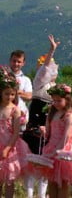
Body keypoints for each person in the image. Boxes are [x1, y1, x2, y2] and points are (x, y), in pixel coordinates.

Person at [23, 34, 59, 198]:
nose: (53, 71)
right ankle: (30, 196)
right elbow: (44, 70)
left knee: (46, 165)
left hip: (49, 129)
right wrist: (51, 51)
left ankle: (43, 195)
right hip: (36, 128)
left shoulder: (56, 88)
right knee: (33, 164)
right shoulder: (38, 84)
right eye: (51, 68)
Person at [38, 84, 72, 198]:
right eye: (54, 101)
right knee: (52, 181)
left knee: (63, 182)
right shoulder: (52, 113)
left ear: (67, 100)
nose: (55, 103)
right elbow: (49, 133)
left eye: (59, 101)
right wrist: (44, 130)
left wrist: (56, 152)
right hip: (51, 147)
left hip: (64, 151)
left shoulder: (69, 115)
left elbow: (67, 136)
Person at [0, 66, 30, 198]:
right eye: (6, 93)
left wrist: (7, 148)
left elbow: (16, 132)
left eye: (12, 94)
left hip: (10, 146)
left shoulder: (15, 110)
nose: (9, 97)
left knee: (9, 179)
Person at [9, 49, 32, 130]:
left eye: (19, 62)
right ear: (10, 61)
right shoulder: (2, 76)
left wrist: (14, 91)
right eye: (14, 61)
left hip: (20, 114)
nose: (16, 64)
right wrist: (21, 93)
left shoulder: (26, 80)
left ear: (23, 63)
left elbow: (29, 97)